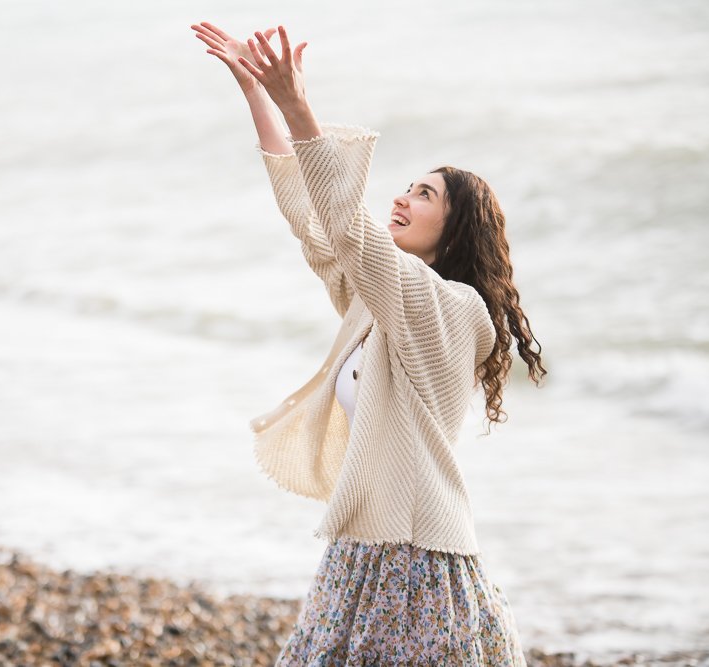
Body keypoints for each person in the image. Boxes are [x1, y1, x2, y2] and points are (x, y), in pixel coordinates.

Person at [190, 20, 547, 666]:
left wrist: (300, 105)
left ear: (456, 225)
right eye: (408, 186)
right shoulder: (376, 305)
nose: (404, 197)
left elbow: (353, 233)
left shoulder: (454, 309)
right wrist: (257, 95)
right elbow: (314, 219)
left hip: (417, 562)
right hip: (362, 549)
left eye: (425, 193)